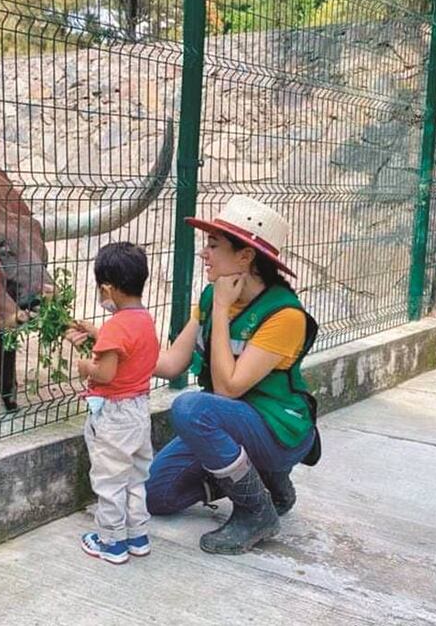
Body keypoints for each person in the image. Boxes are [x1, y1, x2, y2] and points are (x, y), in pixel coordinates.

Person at [148, 195, 321, 555]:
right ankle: (266, 485)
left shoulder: (285, 316)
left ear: (246, 257)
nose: (204, 254)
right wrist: (111, 345)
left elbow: (228, 388)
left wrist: (224, 309)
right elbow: (170, 364)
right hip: (230, 424)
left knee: (190, 408)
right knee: (158, 495)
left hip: (277, 431)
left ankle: (255, 511)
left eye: (213, 245)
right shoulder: (212, 297)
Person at [64, 242, 160, 564]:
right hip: (138, 412)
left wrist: (84, 367)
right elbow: (129, 350)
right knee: (135, 477)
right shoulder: (145, 320)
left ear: (107, 288)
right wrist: (99, 334)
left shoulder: (115, 328)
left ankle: (110, 542)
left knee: (109, 481)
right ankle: (138, 537)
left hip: (114, 415)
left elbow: (104, 374)